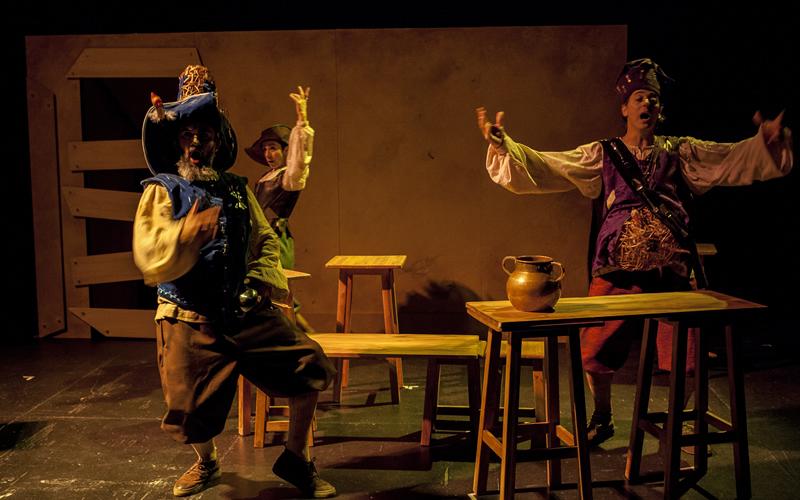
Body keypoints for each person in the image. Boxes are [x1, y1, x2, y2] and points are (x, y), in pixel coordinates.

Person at [477, 58, 793, 447]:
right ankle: (603, 415)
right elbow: (548, 165)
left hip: (672, 270)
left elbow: (729, 159)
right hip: (617, 268)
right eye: (639, 97)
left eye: (653, 98)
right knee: (594, 350)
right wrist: (505, 146)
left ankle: (676, 419)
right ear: (624, 107)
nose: (647, 104)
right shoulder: (602, 154)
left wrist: (765, 144)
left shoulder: (680, 152)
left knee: (688, 357)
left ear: (661, 109)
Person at [133, 65, 337, 498]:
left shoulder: (238, 190)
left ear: (216, 142)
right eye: (188, 134)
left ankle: (297, 459)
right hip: (190, 319)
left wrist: (260, 281)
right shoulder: (162, 190)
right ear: (177, 141)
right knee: (187, 412)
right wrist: (185, 235)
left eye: (205, 135)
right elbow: (148, 253)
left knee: (310, 366)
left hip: (244, 312)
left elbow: (265, 239)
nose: (196, 143)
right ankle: (207, 461)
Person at [245, 87, 315, 332]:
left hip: (275, 239)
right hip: (258, 239)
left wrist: (302, 122)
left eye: (273, 147)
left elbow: (300, 163)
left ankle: (308, 338)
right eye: (265, 149)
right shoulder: (266, 177)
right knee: (270, 295)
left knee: (279, 293)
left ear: (286, 150)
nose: (268, 153)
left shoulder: (288, 177)